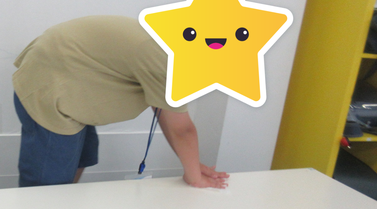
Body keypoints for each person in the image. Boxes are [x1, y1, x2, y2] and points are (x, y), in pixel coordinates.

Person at [12, 15, 229, 189]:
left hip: (69, 70)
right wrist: (195, 178)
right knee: (47, 183)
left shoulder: (172, 42)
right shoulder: (170, 60)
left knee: (82, 157)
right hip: (49, 78)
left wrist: (192, 167)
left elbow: (165, 111)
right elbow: (182, 130)